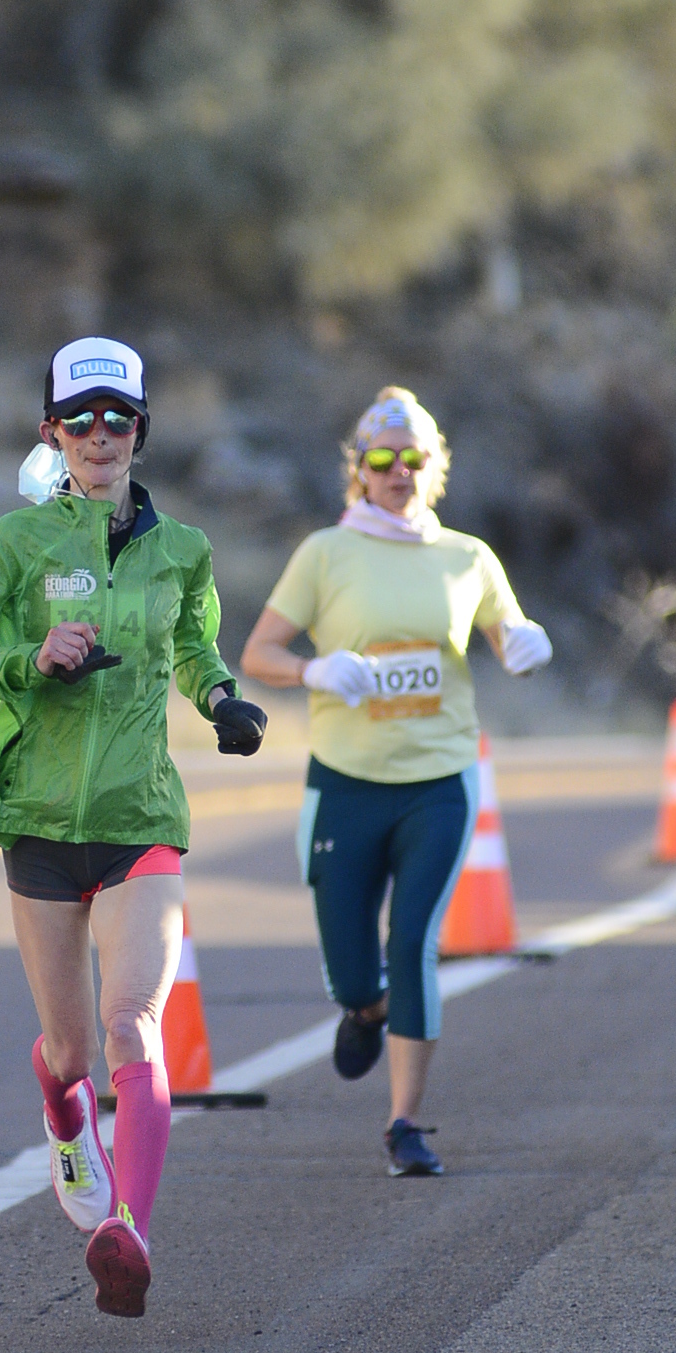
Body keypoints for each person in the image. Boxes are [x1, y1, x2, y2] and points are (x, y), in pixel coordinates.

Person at [0, 337, 267, 1315]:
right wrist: (30, 659)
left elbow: (193, 642)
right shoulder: (9, 545)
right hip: (35, 819)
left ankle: (129, 1231)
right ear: (52, 433)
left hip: (138, 815)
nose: (100, 435)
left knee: (131, 1026)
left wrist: (222, 699)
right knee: (72, 1055)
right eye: (80, 420)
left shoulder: (183, 549)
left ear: (140, 431)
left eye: (118, 418)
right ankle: (64, 1116)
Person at [238, 385, 551, 1177]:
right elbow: (258, 654)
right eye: (382, 458)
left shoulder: (468, 557)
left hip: (438, 780)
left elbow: (507, 630)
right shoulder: (325, 553)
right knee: (353, 969)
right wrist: (313, 669)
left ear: (434, 466)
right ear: (360, 469)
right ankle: (366, 1008)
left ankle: (404, 1123)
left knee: (412, 943)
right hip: (345, 782)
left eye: (414, 457)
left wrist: (524, 643)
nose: (398, 471)